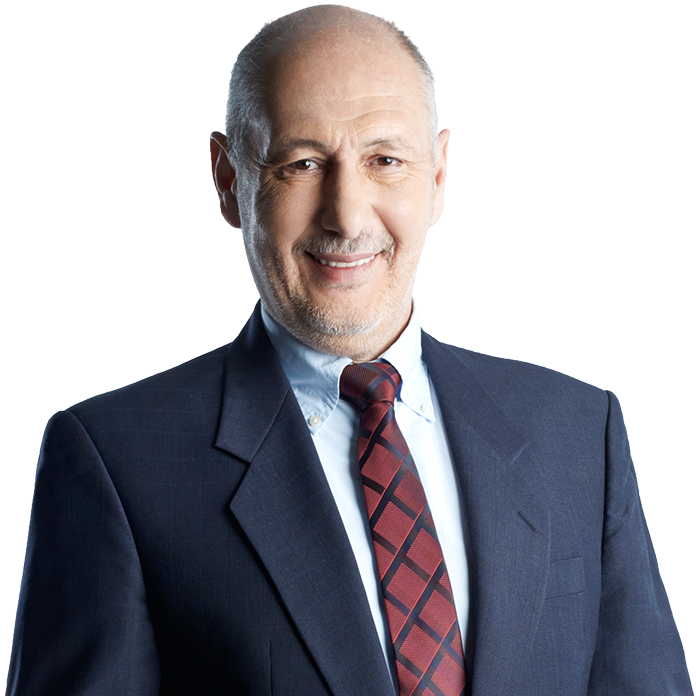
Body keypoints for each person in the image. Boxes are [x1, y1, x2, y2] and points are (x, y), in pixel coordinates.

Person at [7, 5, 691, 695]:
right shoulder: (115, 462)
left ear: (438, 174)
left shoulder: (578, 432)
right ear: (228, 180)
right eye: (302, 163)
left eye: (384, 160)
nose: (347, 216)